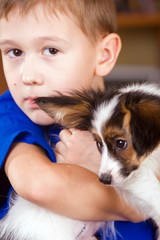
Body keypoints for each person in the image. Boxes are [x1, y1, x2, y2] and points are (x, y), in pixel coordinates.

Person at [0, 0, 155, 239]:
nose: (28, 76)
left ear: (104, 55)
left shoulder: (134, 115)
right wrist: (140, 206)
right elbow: (38, 185)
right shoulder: (12, 111)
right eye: (15, 52)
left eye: (51, 50)